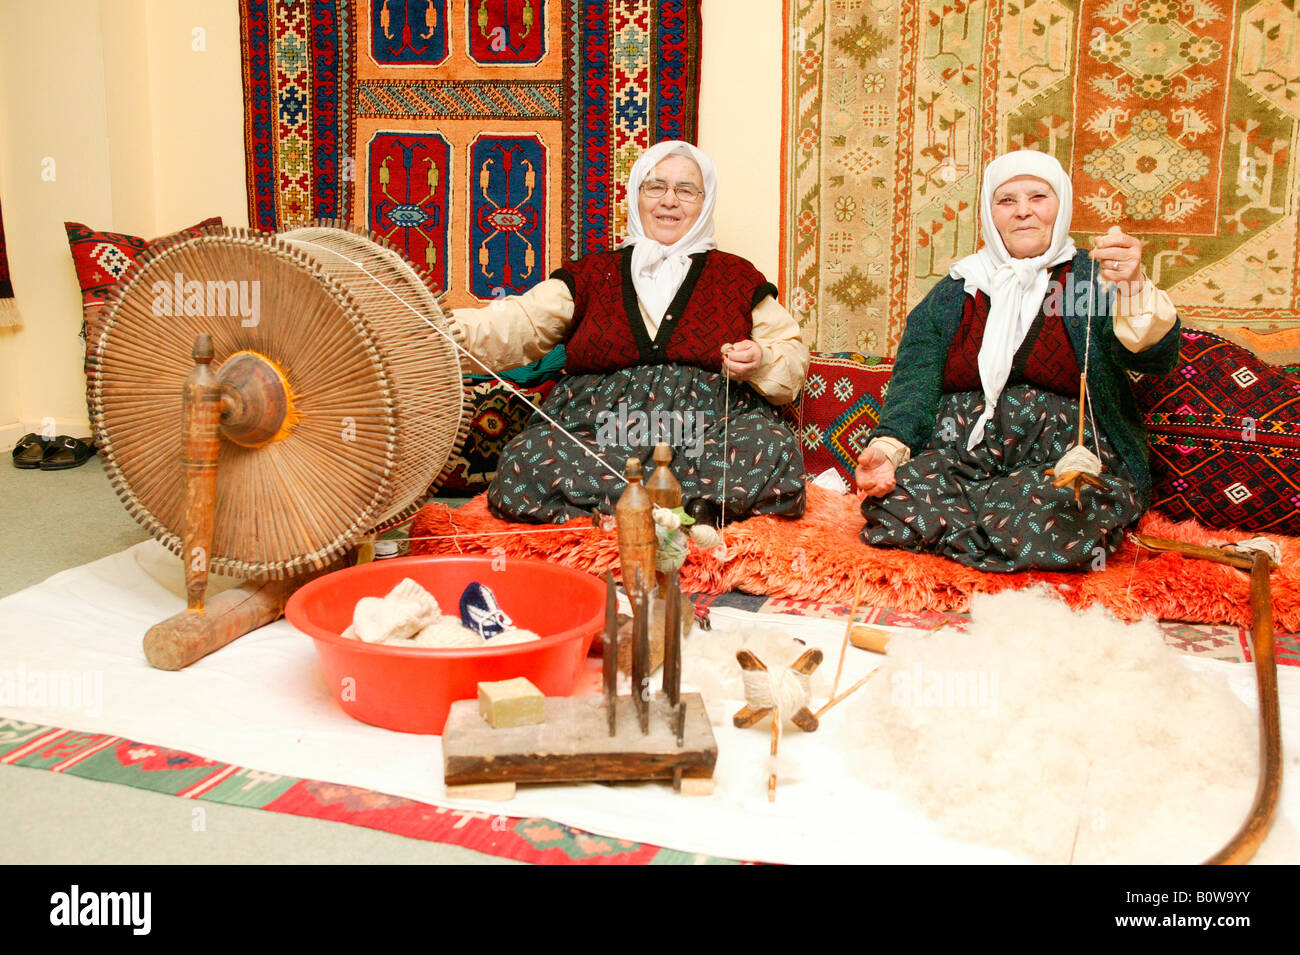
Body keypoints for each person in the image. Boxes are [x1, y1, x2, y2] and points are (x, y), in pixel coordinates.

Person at [450, 140, 809, 526]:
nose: (669, 200)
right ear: (636, 196)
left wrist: (760, 360)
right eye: (655, 187)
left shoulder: (736, 276)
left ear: (705, 202)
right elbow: (516, 323)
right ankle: (686, 511)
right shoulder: (591, 273)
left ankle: (623, 510)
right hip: (601, 432)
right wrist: (440, 325)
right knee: (526, 456)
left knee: (772, 445)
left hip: (705, 435)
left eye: (686, 190)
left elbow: (790, 357)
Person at [854, 150, 1181, 572]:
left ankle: (974, 535)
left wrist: (1134, 288)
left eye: (1038, 197)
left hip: (1065, 460)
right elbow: (915, 383)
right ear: (989, 213)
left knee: (1061, 506)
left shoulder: (1095, 279)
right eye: (1006, 200)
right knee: (894, 506)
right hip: (968, 455)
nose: (1023, 212)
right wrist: (889, 446)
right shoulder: (958, 290)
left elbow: (1157, 358)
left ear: (1061, 205)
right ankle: (998, 535)